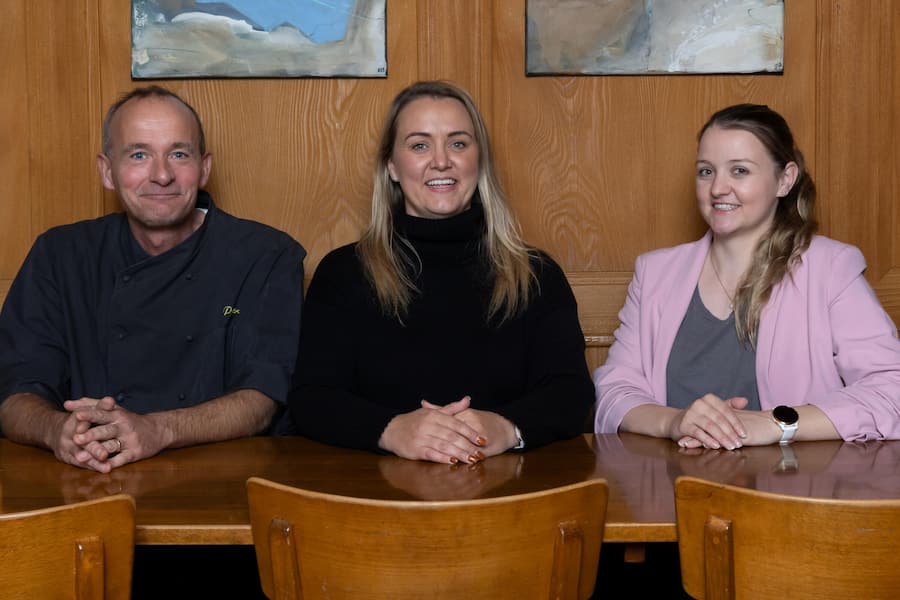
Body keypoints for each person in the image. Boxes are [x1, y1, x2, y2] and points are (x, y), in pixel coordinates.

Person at [0, 85, 305, 473]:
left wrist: (156, 430)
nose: (162, 175)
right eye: (139, 155)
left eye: (179, 154)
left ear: (205, 168)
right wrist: (57, 430)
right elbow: (14, 392)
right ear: (108, 171)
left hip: (223, 488)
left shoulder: (265, 255)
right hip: (87, 484)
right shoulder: (60, 254)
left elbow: (262, 400)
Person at [289, 80, 593, 464]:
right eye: (419, 145)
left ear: (478, 160)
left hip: (509, 497)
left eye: (458, 143)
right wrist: (392, 429)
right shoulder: (343, 273)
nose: (441, 161)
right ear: (392, 167)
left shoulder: (537, 275)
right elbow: (312, 396)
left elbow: (570, 391)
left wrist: (505, 427)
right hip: (374, 502)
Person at [595, 103, 900, 449]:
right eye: (706, 172)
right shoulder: (655, 273)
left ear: (785, 179)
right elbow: (614, 392)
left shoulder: (831, 269)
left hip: (791, 494)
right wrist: (674, 422)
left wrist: (775, 424)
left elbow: (892, 389)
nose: (718, 189)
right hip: (673, 494)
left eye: (739, 171)